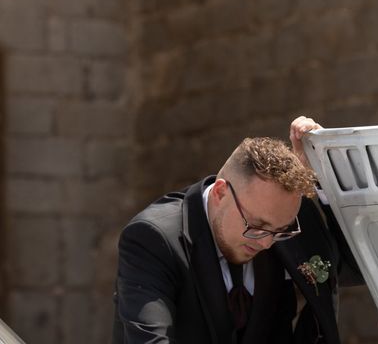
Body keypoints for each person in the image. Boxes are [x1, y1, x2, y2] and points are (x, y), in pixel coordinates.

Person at [111, 116, 359, 344]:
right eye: (256, 226)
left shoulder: (285, 219)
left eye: (280, 231)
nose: (266, 243)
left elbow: (356, 268)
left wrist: (324, 175)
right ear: (220, 193)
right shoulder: (153, 238)